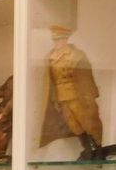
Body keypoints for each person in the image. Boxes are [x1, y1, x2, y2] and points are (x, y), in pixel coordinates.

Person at [39, 25, 103, 159]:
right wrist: (54, 98)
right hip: (62, 96)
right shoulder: (51, 57)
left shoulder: (76, 55)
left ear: (65, 39)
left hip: (77, 95)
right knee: (73, 125)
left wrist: (89, 95)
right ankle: (87, 148)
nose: (57, 43)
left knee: (87, 122)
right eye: (55, 40)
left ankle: (97, 148)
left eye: (59, 39)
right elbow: (51, 81)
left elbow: (86, 76)